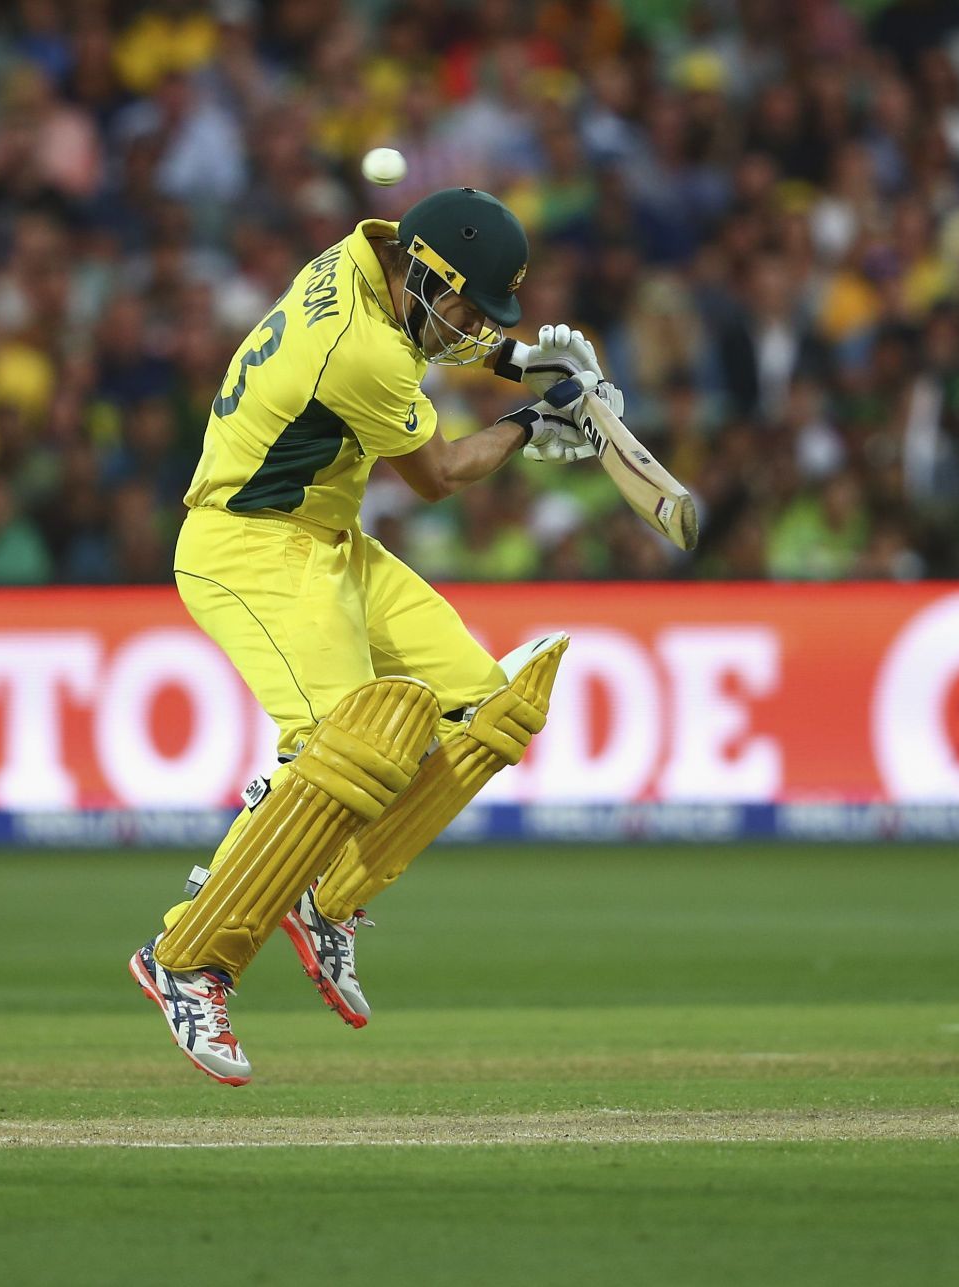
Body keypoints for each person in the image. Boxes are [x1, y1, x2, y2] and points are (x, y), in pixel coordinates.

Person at [129, 186, 615, 1084]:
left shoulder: (373, 259)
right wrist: (535, 418)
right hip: (249, 545)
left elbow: (430, 330)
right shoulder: (357, 350)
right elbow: (440, 473)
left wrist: (519, 358)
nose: (469, 325)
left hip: (330, 538)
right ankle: (187, 960)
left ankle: (326, 893)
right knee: (343, 748)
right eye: (469, 305)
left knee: (491, 709)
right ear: (426, 271)